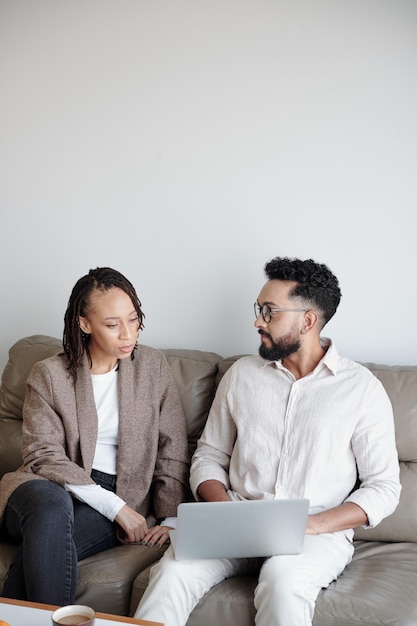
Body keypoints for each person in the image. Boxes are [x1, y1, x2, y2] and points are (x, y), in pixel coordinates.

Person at [134, 256, 401, 626]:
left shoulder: (361, 389)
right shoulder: (242, 375)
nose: (258, 321)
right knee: (171, 574)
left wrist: (313, 525)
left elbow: (384, 487)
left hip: (315, 535)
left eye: (269, 311)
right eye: (259, 309)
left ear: (307, 321)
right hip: (234, 520)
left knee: (282, 581)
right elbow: (209, 455)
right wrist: (224, 506)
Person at [0, 267, 189, 605]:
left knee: (45, 549)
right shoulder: (49, 374)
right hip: (45, 487)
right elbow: (43, 455)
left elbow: (171, 445)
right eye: (113, 325)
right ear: (84, 324)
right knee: (52, 507)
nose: (128, 334)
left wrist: (171, 516)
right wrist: (116, 508)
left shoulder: (152, 367)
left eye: (134, 319)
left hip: (116, 490)